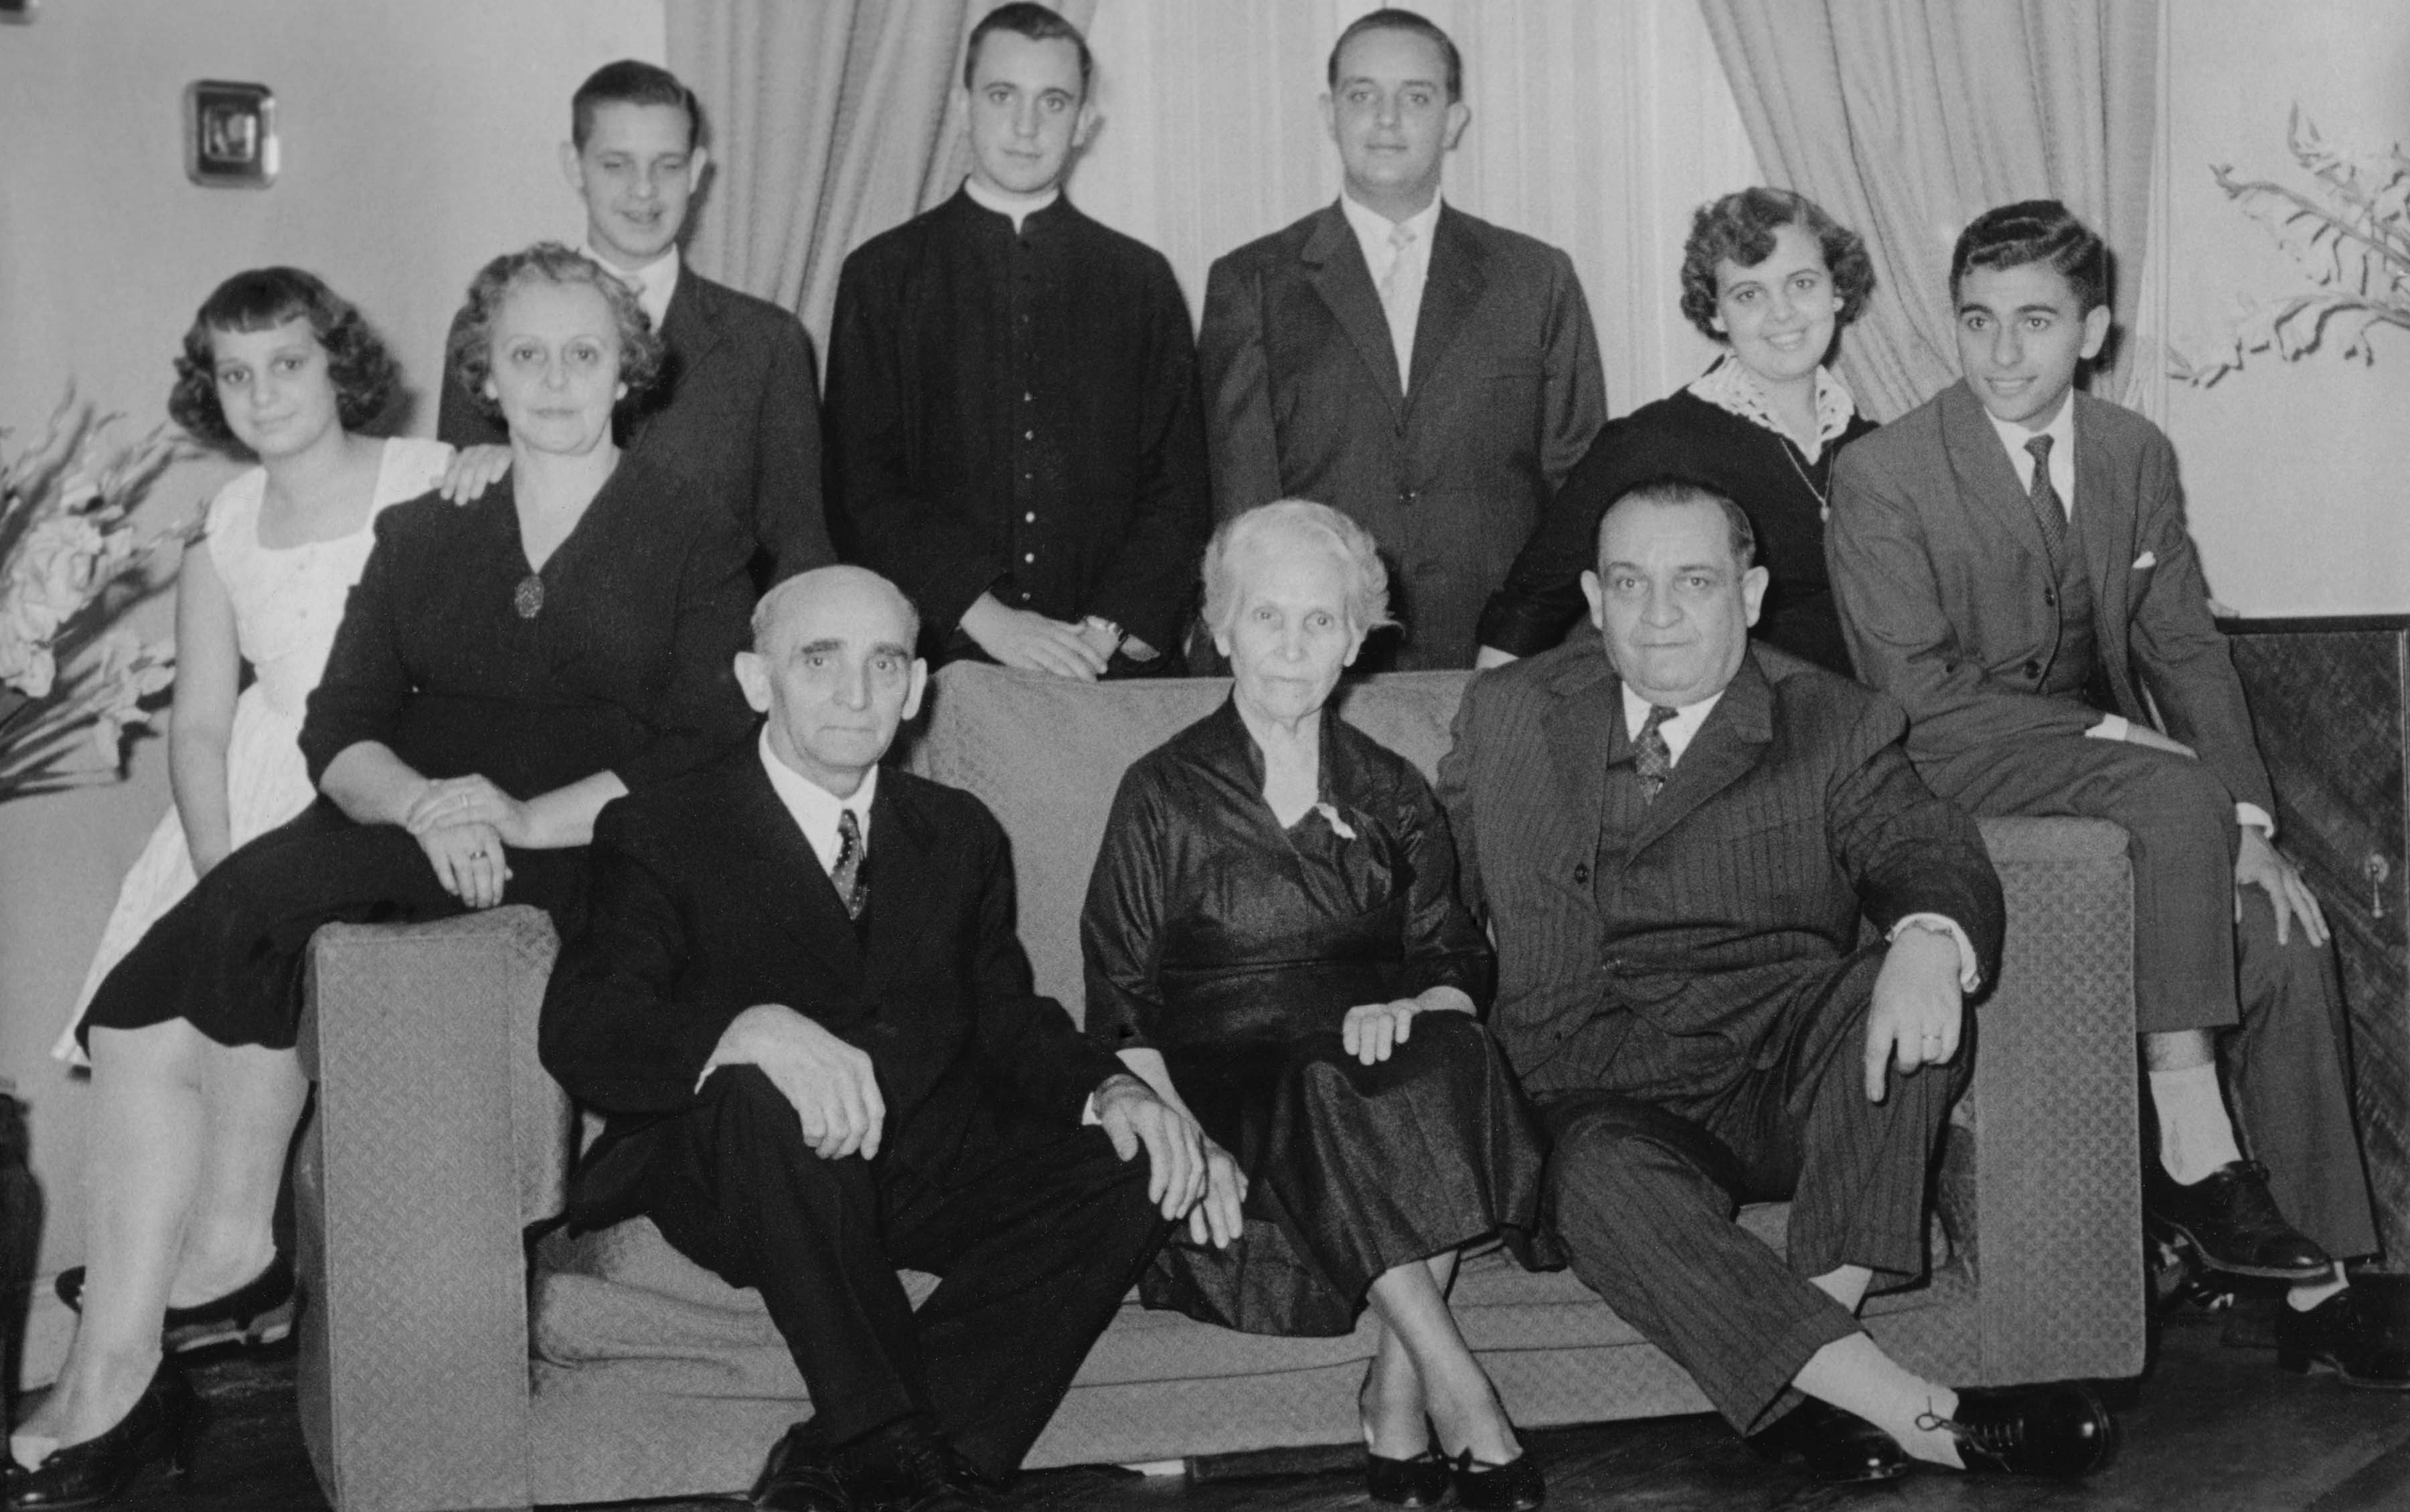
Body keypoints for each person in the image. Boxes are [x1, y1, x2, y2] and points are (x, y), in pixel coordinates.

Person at [11, 244, 757, 1511]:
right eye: (525, 353)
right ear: (486, 372)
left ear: (629, 369)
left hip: (592, 840)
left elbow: (704, 750)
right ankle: (129, 1358)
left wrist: (525, 810)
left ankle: (129, 1365)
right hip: (412, 813)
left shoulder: (688, 525)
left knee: (279, 944)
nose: (556, 378)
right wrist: (421, 800)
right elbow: (341, 724)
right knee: (146, 995)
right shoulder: (428, 524)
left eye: (585, 352)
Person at [1439, 478, 2117, 1485]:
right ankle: (1912, 1409)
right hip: (1590, 1100)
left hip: (1774, 1078)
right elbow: (1434, 896)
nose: (1659, 611)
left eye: (1694, 580)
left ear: (1750, 594)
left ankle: (1803, 1369)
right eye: (1629, 582)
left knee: (1906, 990)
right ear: (1591, 594)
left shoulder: (1831, 718)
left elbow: (1923, 844)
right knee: (1587, 1174)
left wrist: (1930, 938)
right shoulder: (1506, 712)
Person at [1826, 201, 2395, 1386]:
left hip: (2128, 789)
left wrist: (2249, 824)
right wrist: (2137, 750)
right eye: (1978, 321)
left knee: (2283, 939)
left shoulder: (2134, 452)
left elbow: (2184, 644)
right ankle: (2193, 1133)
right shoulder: (1884, 472)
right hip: (1961, 776)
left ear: (2092, 329)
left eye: (2035, 323)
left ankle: (2317, 1281)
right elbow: (1917, 696)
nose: (2002, 352)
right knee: (2179, 798)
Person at [540, 566, 1219, 1512]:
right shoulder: (662, 827)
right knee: (759, 1087)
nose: (856, 692)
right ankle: (900, 1454)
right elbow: (586, 1029)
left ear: (914, 689)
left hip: (912, 1151)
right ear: (753, 678)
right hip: (747, 1167)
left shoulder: (957, 831)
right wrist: (747, 1029)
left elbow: (1005, 1016)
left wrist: (1116, 1091)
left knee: (1135, 1157)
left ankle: (849, 1450)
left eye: (885, 663)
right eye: (819, 660)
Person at [1084, 501, 1547, 1509]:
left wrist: (1418, 1004)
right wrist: (1179, 1129)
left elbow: (1453, 948)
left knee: (1455, 1058)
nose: (1292, 647)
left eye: (1321, 621)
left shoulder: (1391, 787)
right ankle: (1466, 1396)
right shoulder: (1160, 790)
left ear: (1357, 639)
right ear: (1220, 625)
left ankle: (1395, 1388)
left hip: (1361, 1046)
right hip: (1225, 1065)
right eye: (1267, 617)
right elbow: (1117, 1000)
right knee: (1326, 1085)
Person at [56, 269, 451, 1082]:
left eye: (288, 365)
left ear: (338, 364)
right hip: (246, 805)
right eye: (237, 374)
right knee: (157, 1044)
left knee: (285, 1058)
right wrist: (215, 863)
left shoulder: (432, 476)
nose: (263, 394)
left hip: (382, 780)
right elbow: (200, 725)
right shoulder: (222, 526)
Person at [1198, 7, 1606, 673]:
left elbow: (1578, 487)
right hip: (1318, 667)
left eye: (1416, 97)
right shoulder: (1252, 283)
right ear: (1330, 114)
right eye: (1363, 95)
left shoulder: (1536, 277)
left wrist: (1532, 638)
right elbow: (1245, 512)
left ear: (1453, 120)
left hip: (1502, 660)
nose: (1387, 120)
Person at [824, 3, 1210, 679]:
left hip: (1106, 665)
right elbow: (863, 486)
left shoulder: (1140, 281)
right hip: (938, 658)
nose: (1026, 127)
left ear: (1085, 122)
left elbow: (1180, 490)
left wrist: (1099, 634)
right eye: (1003, 96)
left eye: (1053, 102)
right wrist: (988, 620)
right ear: (962, 104)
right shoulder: (883, 275)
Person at [438, 59, 833, 587]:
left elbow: (801, 546)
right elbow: (460, 525)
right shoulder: (493, 325)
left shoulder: (768, 342)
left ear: (696, 171)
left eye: (667, 166)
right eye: (616, 165)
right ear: (575, 167)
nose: (644, 190)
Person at [1477, 188, 1878, 676]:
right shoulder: (1656, 441)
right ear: (1714, 312)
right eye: (1749, 294)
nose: (1782, 313)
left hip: (1873, 728)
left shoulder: (1877, 448)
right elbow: (1529, 605)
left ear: (1837, 291)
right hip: (1742, 734)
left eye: (1802, 283)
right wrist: (1483, 740)